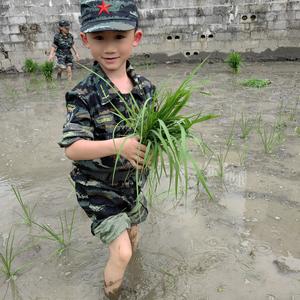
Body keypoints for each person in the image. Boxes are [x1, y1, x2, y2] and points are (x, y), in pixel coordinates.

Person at [58, 0, 155, 298]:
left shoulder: (146, 89)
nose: (110, 48)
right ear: (86, 40)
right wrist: (119, 145)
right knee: (122, 252)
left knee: (133, 234)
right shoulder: (83, 93)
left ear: (135, 38)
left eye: (119, 37)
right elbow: (72, 148)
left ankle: (130, 272)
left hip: (133, 185)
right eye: (100, 38)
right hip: (97, 188)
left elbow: (154, 137)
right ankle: (113, 295)